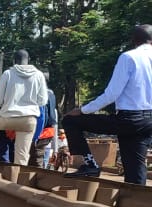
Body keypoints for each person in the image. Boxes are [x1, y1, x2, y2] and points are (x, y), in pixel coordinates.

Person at [63, 24, 152, 185]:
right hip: (148, 122)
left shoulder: (129, 57)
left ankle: (90, 165)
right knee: (135, 174)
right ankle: (139, 198)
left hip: (129, 119)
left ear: (134, 40)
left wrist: (83, 110)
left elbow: (112, 94)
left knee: (70, 121)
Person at [0, 50, 47, 166]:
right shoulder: (39, 75)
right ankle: (17, 176)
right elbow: (42, 101)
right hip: (29, 120)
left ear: (14, 60)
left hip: (8, 118)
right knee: (21, 157)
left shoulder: (8, 74)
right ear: (28, 60)